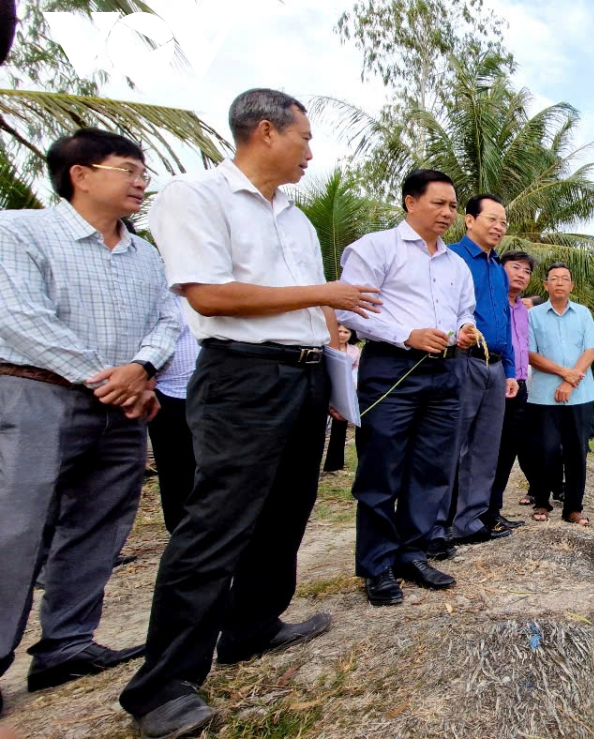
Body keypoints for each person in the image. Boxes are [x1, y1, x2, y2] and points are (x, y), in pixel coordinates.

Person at [120, 89, 381, 739]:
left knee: (288, 508)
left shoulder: (293, 215)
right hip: (240, 374)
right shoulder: (196, 196)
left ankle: (253, 624)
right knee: (217, 522)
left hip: (303, 372)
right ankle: (162, 685)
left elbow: (309, 302)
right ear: (266, 132)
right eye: (304, 138)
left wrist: (329, 344)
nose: (310, 153)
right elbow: (207, 292)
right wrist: (326, 292)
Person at [0, 129, 178, 713]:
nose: (140, 182)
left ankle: (66, 645)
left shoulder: (144, 252)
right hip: (37, 394)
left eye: (142, 171)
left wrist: (143, 368)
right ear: (80, 173)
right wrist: (111, 378)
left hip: (126, 407)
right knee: (14, 530)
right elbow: (21, 318)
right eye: (128, 169)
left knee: (100, 523)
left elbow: (168, 319)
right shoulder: (20, 231)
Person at [337, 169, 475, 606]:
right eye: (439, 203)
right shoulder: (375, 248)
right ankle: (377, 566)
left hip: (445, 372)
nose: (448, 213)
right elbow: (349, 310)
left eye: (453, 206)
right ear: (410, 201)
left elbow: (463, 311)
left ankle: (411, 553)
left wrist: (464, 329)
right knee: (382, 467)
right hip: (392, 369)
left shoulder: (456, 264)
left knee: (431, 467)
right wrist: (405, 334)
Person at [433, 193, 519, 549]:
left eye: (503, 222)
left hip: (495, 367)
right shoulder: (450, 258)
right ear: (469, 220)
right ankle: (436, 525)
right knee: (450, 445)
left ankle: (469, 521)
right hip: (462, 361)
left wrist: (511, 369)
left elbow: (504, 320)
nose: (498, 227)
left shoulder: (499, 269)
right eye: (492, 219)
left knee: (486, 448)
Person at [527, 263, 594, 526]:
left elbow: (591, 350)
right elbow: (530, 354)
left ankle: (572, 508)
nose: (559, 282)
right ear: (545, 285)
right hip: (543, 397)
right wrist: (563, 373)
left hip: (579, 396)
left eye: (565, 279)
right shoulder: (533, 316)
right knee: (544, 450)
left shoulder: (583, 314)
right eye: (554, 279)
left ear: (571, 286)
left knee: (576, 452)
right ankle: (542, 502)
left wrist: (570, 382)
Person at [486, 251, 537, 529]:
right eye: (515, 267)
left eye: (526, 271)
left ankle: (493, 510)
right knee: (484, 450)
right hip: (494, 381)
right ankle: (468, 513)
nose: (521, 274)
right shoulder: (492, 303)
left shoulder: (522, 309)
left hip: (519, 386)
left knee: (507, 450)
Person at [148, 294, 200, 533]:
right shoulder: (159, 290)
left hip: (219, 393)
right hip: (169, 393)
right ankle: (183, 534)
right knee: (177, 474)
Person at [323, 324, 361, 473]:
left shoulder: (354, 351)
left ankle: (334, 464)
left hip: (344, 389)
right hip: (325, 387)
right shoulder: (325, 346)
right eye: (339, 331)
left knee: (340, 426)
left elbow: (356, 370)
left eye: (346, 332)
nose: (343, 334)